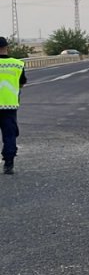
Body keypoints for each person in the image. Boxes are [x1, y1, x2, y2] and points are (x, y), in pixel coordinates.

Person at [0, 37, 28, 174]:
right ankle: (8, 164)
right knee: (9, 135)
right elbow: (22, 82)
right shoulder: (17, 64)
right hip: (9, 106)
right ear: (7, 47)